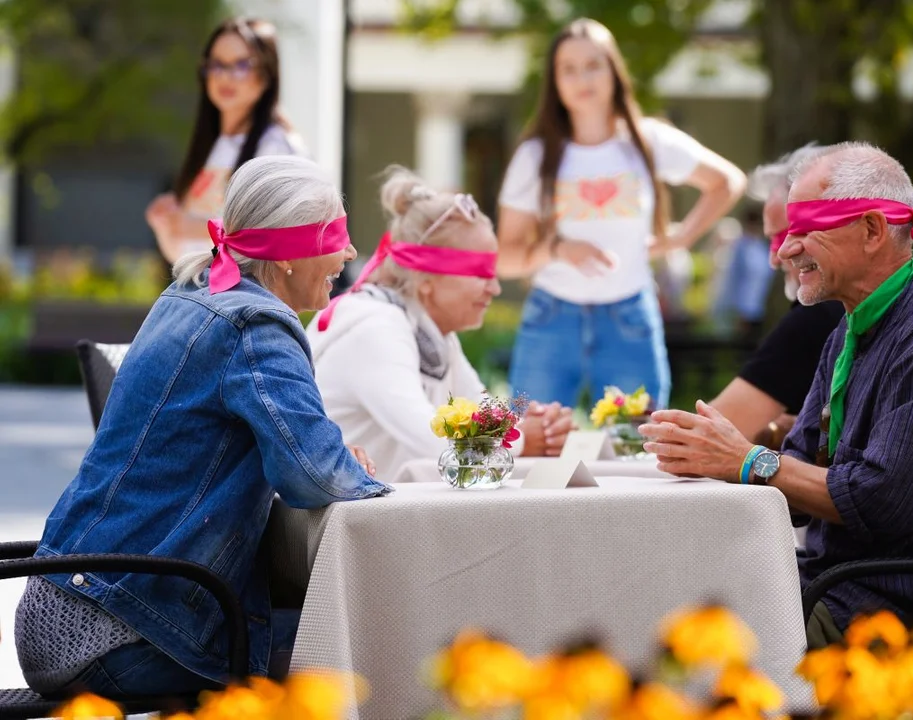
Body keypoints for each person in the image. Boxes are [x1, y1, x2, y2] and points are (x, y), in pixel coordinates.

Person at [15, 156, 391, 699]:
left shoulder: (191, 296)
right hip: (118, 632)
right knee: (359, 653)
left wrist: (330, 459)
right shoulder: (255, 325)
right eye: (335, 233)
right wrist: (343, 466)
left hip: (64, 609)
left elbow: (307, 459)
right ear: (286, 254)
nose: (351, 252)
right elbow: (315, 478)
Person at [639, 142, 913, 644]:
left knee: (684, 647)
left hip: (906, 613)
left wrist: (749, 460)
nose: (784, 249)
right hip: (836, 587)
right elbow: (798, 479)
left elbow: (883, 503)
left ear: (872, 230)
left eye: (806, 227)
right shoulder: (851, 328)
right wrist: (716, 460)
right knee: (656, 595)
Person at [496, 18, 746, 410]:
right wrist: (558, 249)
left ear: (614, 70)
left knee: (638, 444)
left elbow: (727, 182)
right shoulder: (535, 156)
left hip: (630, 315)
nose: (583, 78)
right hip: (551, 317)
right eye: (569, 69)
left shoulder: (648, 141)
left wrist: (681, 237)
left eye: (594, 64)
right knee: (530, 441)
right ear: (555, 82)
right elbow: (505, 259)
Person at [308, 167, 575, 482]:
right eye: (480, 273)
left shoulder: (429, 329)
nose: (495, 289)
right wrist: (526, 440)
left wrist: (542, 427)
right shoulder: (376, 328)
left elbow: (484, 413)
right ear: (426, 279)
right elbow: (433, 440)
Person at [708, 144, 845, 449]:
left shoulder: (821, 314)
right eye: (771, 239)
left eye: (786, 235)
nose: (776, 257)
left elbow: (712, 432)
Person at [146, 17, 305, 264]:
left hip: (244, 299)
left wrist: (194, 226)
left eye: (241, 65)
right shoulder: (212, 146)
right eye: (217, 65)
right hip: (200, 295)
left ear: (266, 74)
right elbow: (188, 257)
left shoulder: (277, 148)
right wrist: (166, 226)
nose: (226, 77)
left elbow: (276, 238)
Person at [712, 208, 773, 347]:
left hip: (758, 309)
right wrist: (738, 311)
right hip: (741, 311)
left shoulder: (761, 247)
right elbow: (733, 279)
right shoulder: (740, 247)